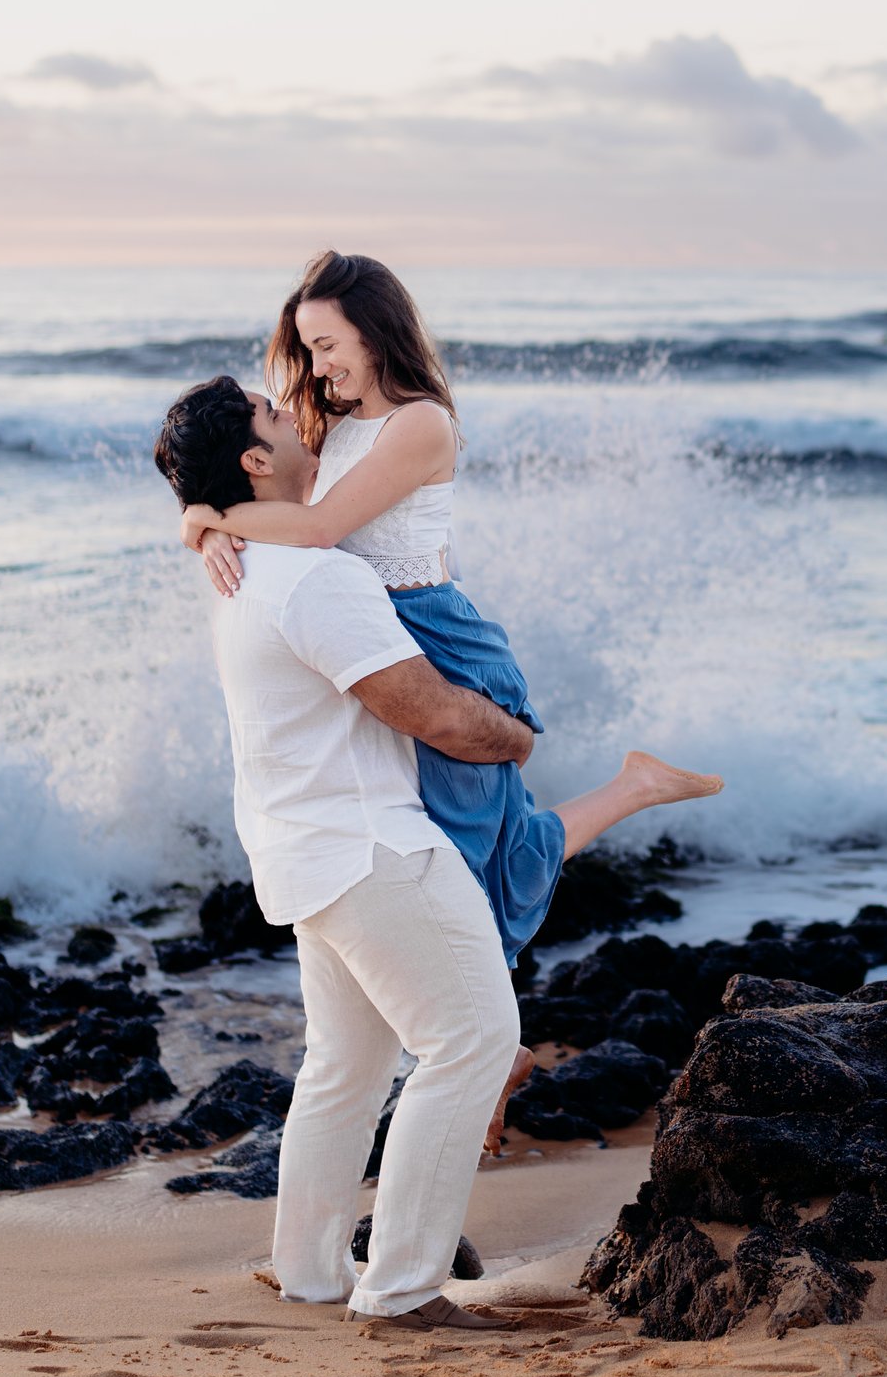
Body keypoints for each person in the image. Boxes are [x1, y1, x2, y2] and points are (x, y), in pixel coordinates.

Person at [178, 250, 724, 959]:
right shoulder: (333, 426)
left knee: (464, 851)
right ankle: (635, 786)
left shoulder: (420, 424)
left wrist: (207, 519)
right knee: (470, 840)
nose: (316, 369)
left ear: (374, 334)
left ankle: (487, 1036)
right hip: (382, 636)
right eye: (309, 350)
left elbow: (317, 528)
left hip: (439, 636)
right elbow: (275, 491)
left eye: (327, 346)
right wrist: (200, 519)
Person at [153, 374, 529, 1332]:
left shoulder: (240, 571)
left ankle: (312, 1272)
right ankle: (402, 1290)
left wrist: (199, 522)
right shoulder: (316, 575)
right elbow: (429, 711)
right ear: (253, 461)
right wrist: (516, 737)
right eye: (275, 419)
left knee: (346, 1068)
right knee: (474, 1040)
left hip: (302, 853)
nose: (296, 420)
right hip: (372, 849)